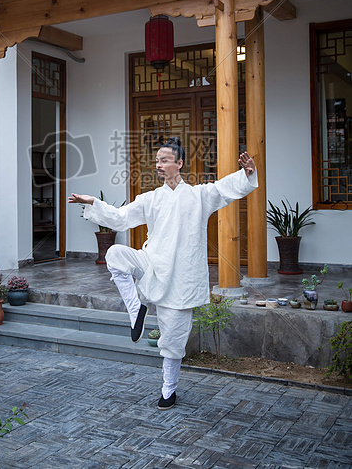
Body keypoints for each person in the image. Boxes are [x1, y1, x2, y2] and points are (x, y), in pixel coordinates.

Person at [68, 137, 257, 410]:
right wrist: (93, 203)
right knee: (115, 255)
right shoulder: (150, 198)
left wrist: (246, 174)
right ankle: (136, 310)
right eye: (156, 160)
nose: (158, 165)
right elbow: (121, 218)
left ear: (179, 164)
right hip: (151, 265)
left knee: (173, 340)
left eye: (164, 160)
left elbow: (224, 189)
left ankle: (169, 390)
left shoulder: (198, 196)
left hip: (180, 279)